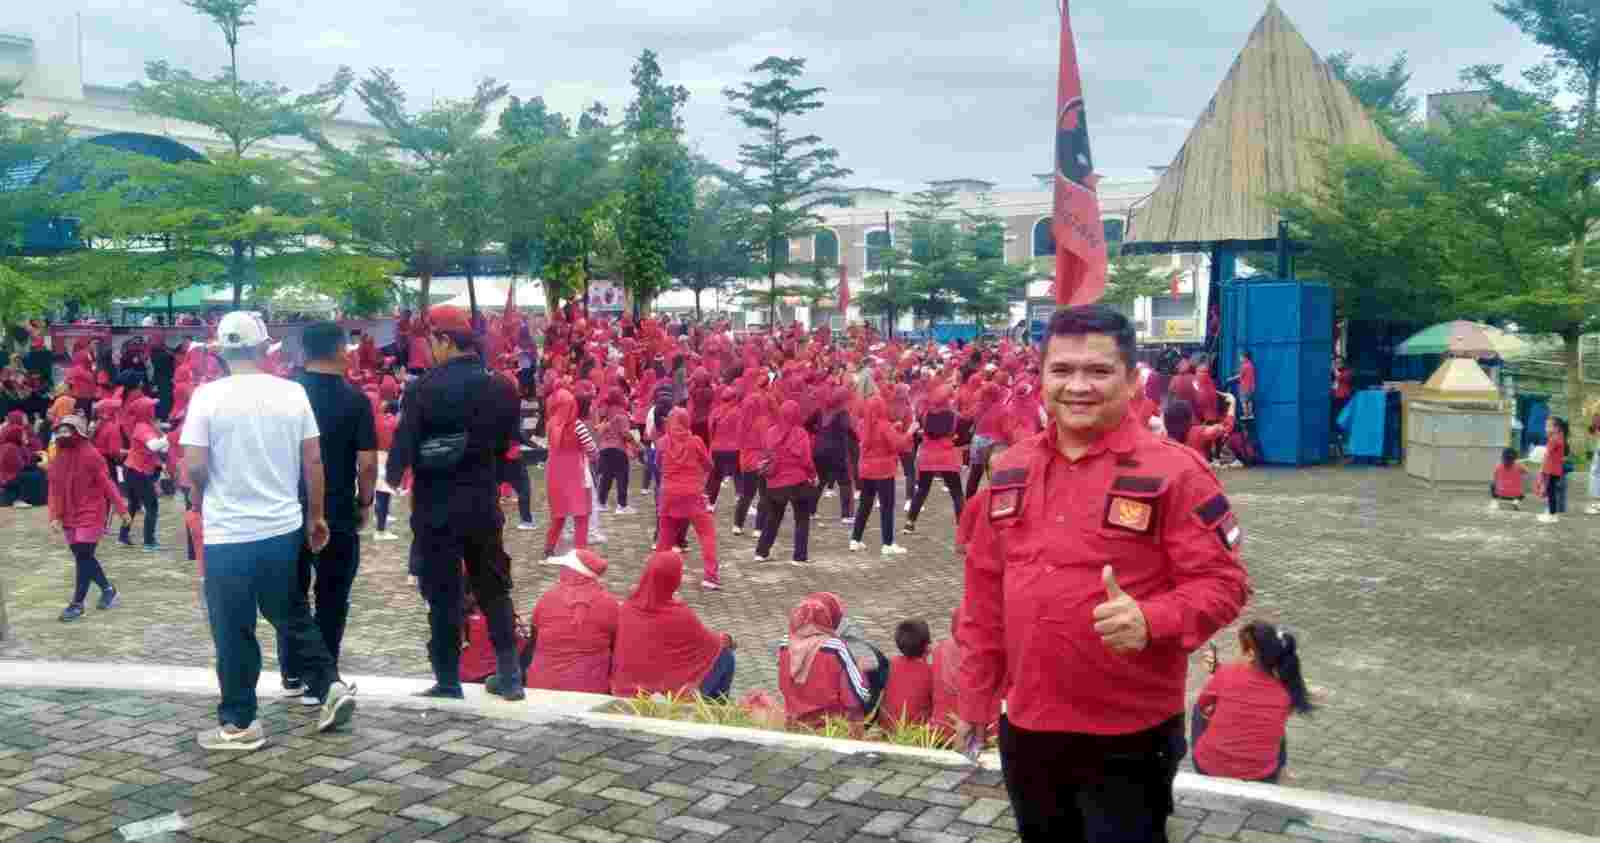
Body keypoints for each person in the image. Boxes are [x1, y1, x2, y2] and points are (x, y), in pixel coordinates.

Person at [955, 305, 1251, 842]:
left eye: (1098, 371)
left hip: (1129, 734)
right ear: (1041, 377)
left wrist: (1154, 618)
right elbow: (984, 594)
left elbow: (1225, 584)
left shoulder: (1176, 471)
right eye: (1061, 370)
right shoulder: (1011, 468)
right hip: (1028, 726)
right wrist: (976, 696)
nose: (1078, 386)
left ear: (1131, 376)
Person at [181, 311, 357, 750]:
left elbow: (196, 465)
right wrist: (316, 517)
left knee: (233, 627)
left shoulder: (206, 397)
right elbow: (313, 462)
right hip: (282, 526)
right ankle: (329, 684)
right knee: (291, 613)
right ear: (263, 350)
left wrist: (199, 498)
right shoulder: (292, 393)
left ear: (221, 353)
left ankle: (240, 724)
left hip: (228, 533)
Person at [387, 306, 525, 700]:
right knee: (493, 585)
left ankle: (448, 680)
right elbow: (506, 444)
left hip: (435, 505)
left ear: (444, 340)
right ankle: (510, 675)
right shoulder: (500, 385)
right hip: (482, 499)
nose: (429, 350)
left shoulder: (423, 388)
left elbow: (403, 449)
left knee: (443, 591)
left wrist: (396, 475)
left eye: (431, 341)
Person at [279, 322, 378, 704]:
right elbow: (367, 463)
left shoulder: (288, 394)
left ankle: (291, 674)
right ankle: (323, 680)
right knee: (333, 596)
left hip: (287, 509)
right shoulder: (355, 401)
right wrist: (366, 503)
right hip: (336, 510)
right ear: (339, 351)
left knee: (292, 594)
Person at [1192, 622, 1315, 784]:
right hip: (1263, 776)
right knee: (1273, 723)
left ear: (1250, 654)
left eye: (1240, 648)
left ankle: (1205, 752)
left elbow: (1203, 704)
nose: (1237, 652)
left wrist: (1218, 676)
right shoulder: (1288, 691)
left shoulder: (1227, 673)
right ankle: (1282, 770)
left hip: (1209, 769)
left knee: (1201, 710)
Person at [611, 549, 736, 700]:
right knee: (726, 657)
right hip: (664, 695)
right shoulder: (680, 615)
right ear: (675, 579)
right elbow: (712, 646)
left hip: (624, 689)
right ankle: (716, 711)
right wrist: (726, 640)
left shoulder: (626, 608)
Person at [47, 414, 131, 622]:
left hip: (91, 512)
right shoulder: (58, 456)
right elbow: (54, 487)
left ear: (78, 432)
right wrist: (54, 516)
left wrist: (122, 509)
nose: (63, 434)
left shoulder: (91, 454)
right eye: (60, 430)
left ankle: (77, 604)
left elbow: (107, 484)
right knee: (83, 557)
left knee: (83, 556)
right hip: (68, 513)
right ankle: (108, 589)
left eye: (68, 430)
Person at [527, 550, 620, 694]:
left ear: (570, 572)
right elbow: (617, 646)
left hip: (541, 686)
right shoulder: (610, 604)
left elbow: (533, 639)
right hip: (591, 691)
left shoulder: (547, 599)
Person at [778, 596, 870, 730]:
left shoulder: (785, 643)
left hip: (795, 724)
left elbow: (783, 685)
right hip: (830, 728)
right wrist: (861, 671)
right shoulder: (835, 647)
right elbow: (856, 694)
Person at [656, 407, 721, 589]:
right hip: (693, 493)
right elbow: (709, 466)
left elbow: (659, 465)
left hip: (668, 493)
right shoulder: (696, 442)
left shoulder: (662, 442)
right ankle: (710, 577)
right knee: (706, 534)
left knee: (665, 538)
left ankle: (657, 576)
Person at [755, 400, 819, 567]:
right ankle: (799, 556)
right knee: (802, 519)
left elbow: (765, 456)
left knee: (773, 518)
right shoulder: (800, 433)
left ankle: (761, 552)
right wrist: (812, 475)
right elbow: (806, 460)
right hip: (797, 481)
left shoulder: (771, 433)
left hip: (775, 482)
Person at [851, 396, 914, 556]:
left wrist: (893, 428)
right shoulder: (884, 425)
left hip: (866, 470)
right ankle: (888, 543)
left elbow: (875, 436)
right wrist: (910, 432)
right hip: (884, 471)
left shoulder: (863, 425)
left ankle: (855, 539)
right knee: (887, 507)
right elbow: (898, 444)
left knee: (865, 505)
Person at [542, 386, 594, 557]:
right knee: (581, 515)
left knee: (558, 515)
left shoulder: (550, 425)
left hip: (554, 476)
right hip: (577, 475)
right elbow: (591, 449)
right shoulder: (577, 425)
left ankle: (549, 548)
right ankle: (580, 551)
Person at [905, 383, 963, 534]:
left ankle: (910, 523)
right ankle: (962, 525)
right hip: (947, 456)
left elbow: (918, 433)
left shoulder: (925, 414)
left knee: (922, 490)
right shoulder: (954, 415)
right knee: (956, 491)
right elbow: (961, 436)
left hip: (928, 456)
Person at [119, 397, 166, 551]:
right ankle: (149, 541)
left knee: (133, 505)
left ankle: (123, 536)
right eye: (151, 407)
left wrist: (164, 435)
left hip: (131, 469)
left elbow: (161, 447)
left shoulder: (145, 425)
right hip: (137, 471)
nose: (154, 410)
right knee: (152, 505)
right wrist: (169, 437)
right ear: (146, 411)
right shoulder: (143, 427)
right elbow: (154, 446)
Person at [878, 619, 934, 731]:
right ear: (927, 645)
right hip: (914, 733)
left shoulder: (890, 664)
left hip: (887, 729)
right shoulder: (930, 671)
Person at [373, 401, 401, 540]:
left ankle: (381, 523)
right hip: (388, 457)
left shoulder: (378, 419)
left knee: (380, 494)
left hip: (377, 455)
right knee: (384, 494)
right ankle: (380, 530)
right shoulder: (394, 421)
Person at [1538, 416, 1568, 524]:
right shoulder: (1559, 437)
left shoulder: (1554, 439)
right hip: (1554, 470)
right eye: (1546, 426)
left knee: (1550, 493)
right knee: (1551, 492)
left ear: (1557, 428)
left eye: (1548, 426)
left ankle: (1552, 515)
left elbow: (1547, 454)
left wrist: (1542, 468)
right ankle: (1551, 513)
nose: (1546, 428)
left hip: (1551, 470)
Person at [1490, 448, 1526, 512]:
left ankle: (1494, 501)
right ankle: (1516, 501)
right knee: (1522, 485)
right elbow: (1526, 472)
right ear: (1515, 458)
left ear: (1503, 457)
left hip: (1500, 493)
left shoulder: (1498, 466)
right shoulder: (1519, 466)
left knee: (1492, 484)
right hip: (1516, 494)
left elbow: (1495, 478)